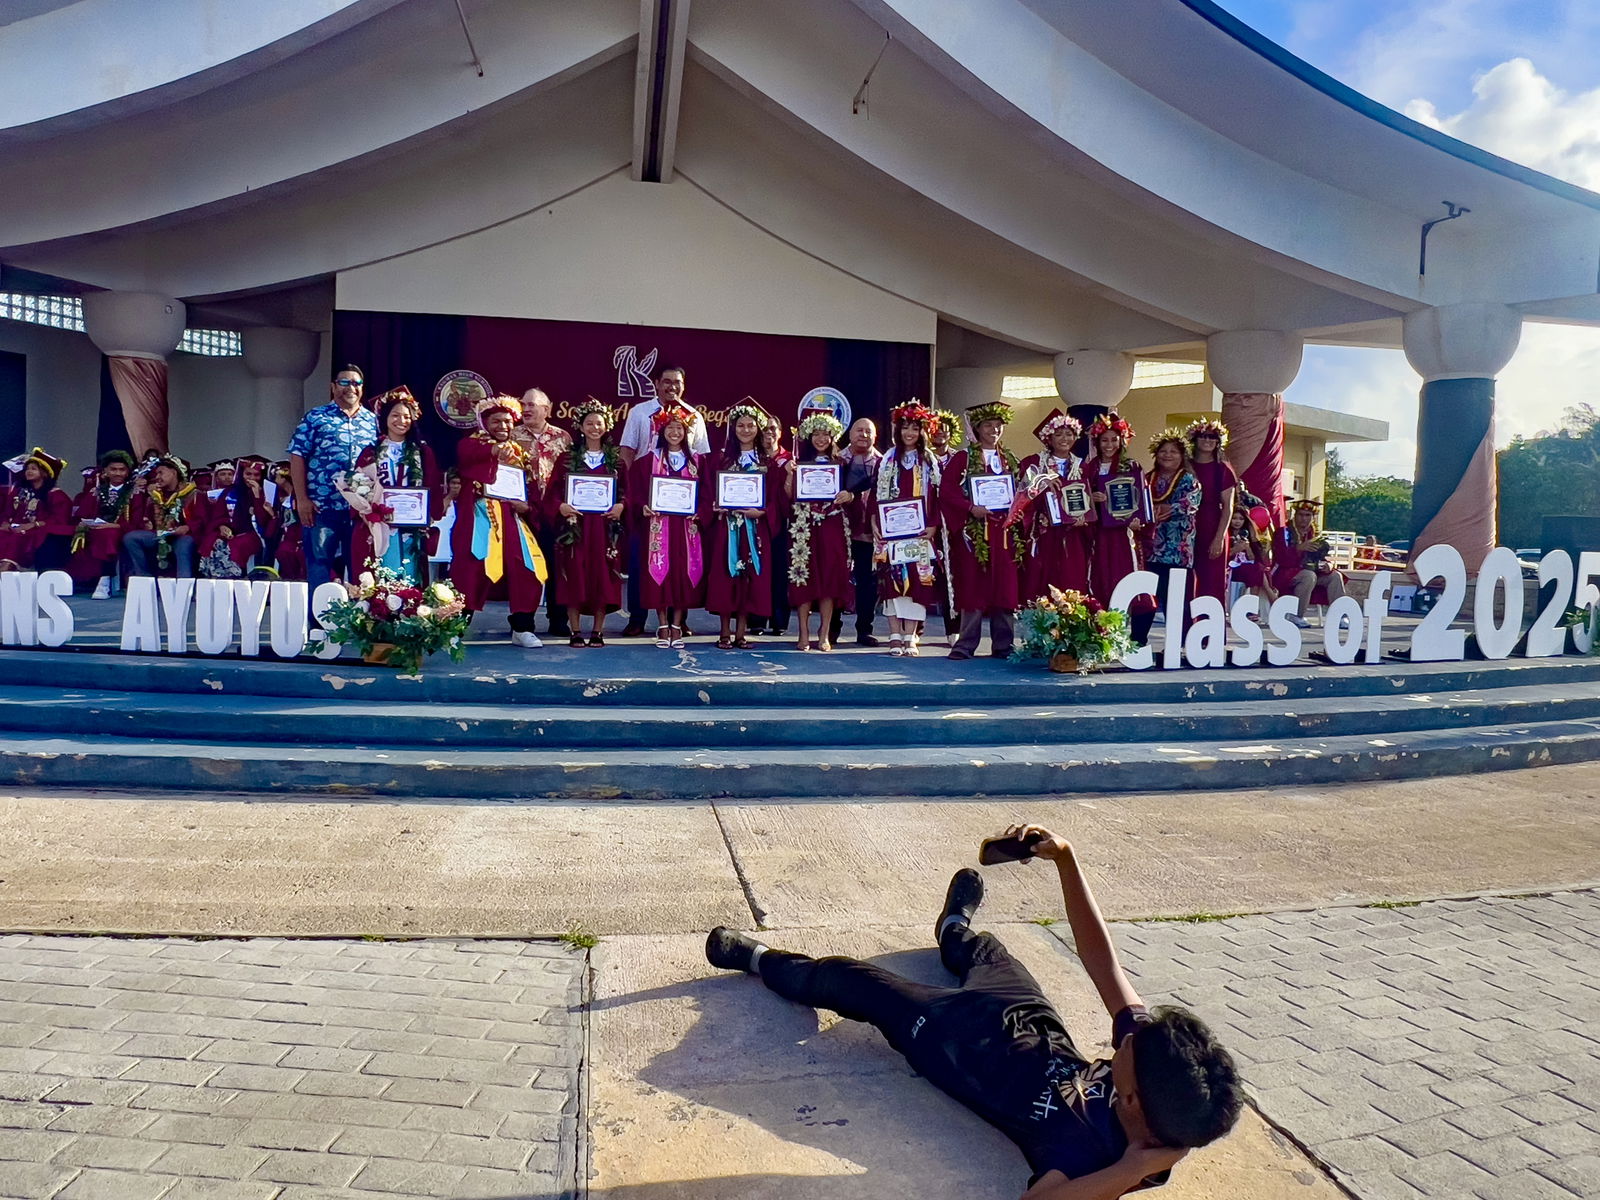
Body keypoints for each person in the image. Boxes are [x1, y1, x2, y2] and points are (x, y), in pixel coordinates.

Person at [704, 825, 1243, 1198]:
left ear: (1132, 1099)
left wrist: (1131, 1169)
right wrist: (1067, 859)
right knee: (987, 950)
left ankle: (756, 957)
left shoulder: (1096, 1156)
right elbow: (1105, 965)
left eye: (1126, 1047)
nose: (1125, 1036)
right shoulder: (1161, 1084)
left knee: (851, 980)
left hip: (956, 1045)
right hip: (1029, 1021)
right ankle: (952, 929)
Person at [619, 365, 710, 636]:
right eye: (667, 382)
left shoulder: (694, 416)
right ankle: (637, 617)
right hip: (648, 501)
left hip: (682, 506)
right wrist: (632, 495)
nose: (672, 387)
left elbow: (701, 457)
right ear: (656, 383)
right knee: (642, 562)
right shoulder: (639, 412)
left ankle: (677, 619)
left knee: (681, 560)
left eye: (678, 383)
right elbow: (627, 452)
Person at [451, 395, 548, 648]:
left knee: (526, 567)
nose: (503, 427)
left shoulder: (519, 454)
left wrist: (527, 506)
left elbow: (531, 489)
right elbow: (470, 458)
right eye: (496, 421)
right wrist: (494, 450)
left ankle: (522, 627)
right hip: (480, 518)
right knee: (472, 568)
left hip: (512, 518)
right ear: (484, 423)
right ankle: (455, 627)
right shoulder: (471, 444)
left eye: (507, 422)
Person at [940, 401, 1022, 660]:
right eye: (988, 425)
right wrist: (969, 507)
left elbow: (1021, 492)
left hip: (1004, 534)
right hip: (975, 534)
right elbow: (947, 492)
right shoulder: (963, 458)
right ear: (978, 428)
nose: (994, 431)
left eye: (998, 426)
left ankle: (1003, 644)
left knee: (1005, 588)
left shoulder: (1008, 459)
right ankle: (965, 645)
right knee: (973, 587)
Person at [288, 364, 380, 587]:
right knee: (320, 567)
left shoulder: (372, 420)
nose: (351, 387)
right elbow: (297, 456)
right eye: (344, 382)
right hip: (322, 508)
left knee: (362, 571)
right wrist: (302, 499)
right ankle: (317, 621)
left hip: (360, 512)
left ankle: (358, 622)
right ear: (333, 387)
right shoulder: (315, 417)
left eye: (356, 383)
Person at [549, 398, 627, 646]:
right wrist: (560, 506)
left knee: (602, 576)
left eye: (599, 423)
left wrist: (621, 506)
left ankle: (597, 631)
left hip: (604, 529)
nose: (594, 427)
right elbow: (552, 494)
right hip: (576, 527)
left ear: (607, 426)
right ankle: (575, 631)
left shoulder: (616, 462)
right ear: (580, 427)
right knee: (575, 574)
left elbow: (627, 493)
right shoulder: (565, 460)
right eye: (589, 423)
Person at [628, 404, 706, 648]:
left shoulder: (697, 462)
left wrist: (700, 512)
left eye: (679, 428)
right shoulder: (647, 462)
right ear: (661, 432)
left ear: (686, 432)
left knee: (683, 572)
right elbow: (635, 493)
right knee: (659, 571)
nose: (674, 433)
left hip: (685, 528)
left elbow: (707, 494)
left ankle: (677, 624)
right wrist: (642, 506)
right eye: (670, 428)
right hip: (658, 526)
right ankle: (662, 624)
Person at [351, 387, 443, 588]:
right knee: (380, 573)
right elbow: (358, 485)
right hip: (379, 524)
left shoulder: (422, 451)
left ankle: (410, 612)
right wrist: (367, 511)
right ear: (384, 418)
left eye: (407, 417)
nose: (402, 421)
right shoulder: (371, 452)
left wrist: (430, 513)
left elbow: (433, 485)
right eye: (395, 415)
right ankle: (381, 613)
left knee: (411, 570)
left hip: (412, 523)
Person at [705, 403, 777, 649]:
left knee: (750, 578)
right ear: (732, 429)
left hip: (755, 529)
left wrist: (763, 511)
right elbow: (708, 492)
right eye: (740, 425)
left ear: (758, 429)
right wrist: (715, 505)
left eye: (750, 425)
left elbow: (776, 498)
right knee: (727, 575)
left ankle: (741, 633)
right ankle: (724, 632)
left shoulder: (768, 462)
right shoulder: (721, 459)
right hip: (727, 529)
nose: (746, 430)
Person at [872, 403, 941, 657]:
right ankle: (893, 634)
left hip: (919, 531)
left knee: (918, 581)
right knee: (892, 580)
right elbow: (874, 497)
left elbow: (936, 496)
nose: (909, 433)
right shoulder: (887, 459)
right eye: (905, 428)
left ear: (922, 432)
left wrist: (933, 525)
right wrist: (874, 523)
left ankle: (910, 636)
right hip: (891, 531)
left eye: (915, 428)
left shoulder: (929, 462)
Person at [785, 413, 853, 652]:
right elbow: (789, 495)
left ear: (833, 436)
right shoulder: (798, 462)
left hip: (833, 526)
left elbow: (853, 492)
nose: (821, 438)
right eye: (816, 434)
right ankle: (802, 633)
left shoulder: (843, 463)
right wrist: (789, 474)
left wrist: (850, 495)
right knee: (803, 578)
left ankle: (823, 634)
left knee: (830, 579)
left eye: (826, 434)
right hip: (804, 526)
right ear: (808, 436)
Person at [514, 387, 574, 638]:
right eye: (523, 405)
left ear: (546, 409)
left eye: (531, 405)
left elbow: (573, 475)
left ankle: (558, 618)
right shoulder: (512, 435)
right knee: (524, 567)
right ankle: (522, 619)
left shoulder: (563, 437)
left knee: (557, 565)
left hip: (554, 513)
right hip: (523, 511)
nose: (526, 410)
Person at [1132, 433, 1201, 647]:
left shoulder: (1189, 480)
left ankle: (1180, 645)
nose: (1167, 455)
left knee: (1176, 599)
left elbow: (1190, 505)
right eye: (1163, 451)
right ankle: (1137, 642)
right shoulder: (1148, 478)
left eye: (1173, 451)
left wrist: (1167, 509)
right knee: (1146, 596)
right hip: (1150, 549)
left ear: (1182, 455)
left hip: (1177, 551)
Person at [1019, 412, 1095, 603]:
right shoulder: (1034, 463)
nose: (1064, 439)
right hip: (1044, 534)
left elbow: (1089, 500)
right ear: (1049, 438)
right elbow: (1021, 496)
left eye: (1069, 434)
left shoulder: (1083, 466)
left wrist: (1085, 515)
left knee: (1072, 578)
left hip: (1073, 535)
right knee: (1042, 580)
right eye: (1059, 434)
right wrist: (1042, 486)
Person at [1085, 413, 1146, 607]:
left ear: (1122, 440)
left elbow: (1141, 496)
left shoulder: (1131, 466)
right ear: (1097, 442)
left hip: (1122, 531)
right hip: (1097, 531)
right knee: (1099, 574)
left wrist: (1139, 519)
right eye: (1104, 440)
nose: (1109, 445)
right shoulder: (1090, 467)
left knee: (1122, 573)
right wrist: (1091, 497)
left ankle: (1122, 620)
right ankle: (1100, 620)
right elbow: (1080, 496)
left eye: (1114, 439)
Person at [837, 417, 883, 647]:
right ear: (850, 433)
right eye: (859, 430)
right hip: (839, 530)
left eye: (868, 431)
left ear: (875, 436)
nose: (863, 435)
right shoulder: (836, 459)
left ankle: (865, 629)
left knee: (868, 584)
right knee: (837, 579)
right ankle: (831, 628)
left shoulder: (884, 463)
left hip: (868, 532)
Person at [68, 450, 137, 597]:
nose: (118, 473)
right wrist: (87, 523)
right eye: (113, 469)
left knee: (108, 534)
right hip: (97, 528)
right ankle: (84, 581)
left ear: (127, 472)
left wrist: (113, 525)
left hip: (120, 530)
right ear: (105, 470)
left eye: (122, 470)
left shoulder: (134, 492)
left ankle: (105, 579)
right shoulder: (97, 491)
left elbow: (136, 521)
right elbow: (84, 514)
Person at [1184, 420, 1237, 612]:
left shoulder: (1222, 469)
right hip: (1186, 528)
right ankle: (1187, 629)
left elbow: (1228, 506)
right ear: (1195, 440)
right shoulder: (1185, 466)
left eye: (1212, 437)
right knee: (1187, 581)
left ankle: (1211, 633)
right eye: (1203, 436)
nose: (1207, 440)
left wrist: (1219, 538)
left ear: (1218, 442)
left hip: (1213, 527)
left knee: (1211, 583)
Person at [122, 455, 201, 578]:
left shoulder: (193, 494)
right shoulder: (155, 495)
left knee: (185, 544)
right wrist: (147, 523)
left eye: (160, 473)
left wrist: (187, 527)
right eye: (156, 474)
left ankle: (184, 586)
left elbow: (202, 520)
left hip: (183, 535)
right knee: (131, 538)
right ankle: (144, 579)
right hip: (160, 533)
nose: (157, 477)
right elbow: (148, 518)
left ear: (174, 472)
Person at [197, 456, 274, 580]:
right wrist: (222, 526)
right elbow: (219, 515)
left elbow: (265, 520)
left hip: (255, 534)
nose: (252, 478)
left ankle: (234, 581)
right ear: (241, 474)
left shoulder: (267, 492)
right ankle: (215, 582)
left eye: (256, 475)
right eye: (248, 474)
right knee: (213, 542)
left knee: (235, 546)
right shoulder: (230, 492)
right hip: (231, 532)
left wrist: (257, 496)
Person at [1272, 499, 1346, 628]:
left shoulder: (1315, 534)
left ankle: (1338, 615)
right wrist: (1299, 548)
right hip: (1284, 574)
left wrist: (1327, 564)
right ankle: (1297, 615)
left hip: (1311, 572)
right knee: (1308, 576)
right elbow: (1280, 558)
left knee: (1335, 576)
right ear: (1295, 515)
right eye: (1301, 515)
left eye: (1308, 515)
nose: (1304, 519)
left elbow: (1320, 557)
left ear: (1313, 517)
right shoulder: (1283, 533)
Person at [750, 417, 792, 636]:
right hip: (753, 521)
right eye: (764, 429)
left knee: (778, 571)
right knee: (757, 569)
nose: (769, 433)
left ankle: (778, 620)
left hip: (779, 523)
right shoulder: (752, 458)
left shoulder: (789, 460)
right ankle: (756, 618)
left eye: (773, 428)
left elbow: (791, 497)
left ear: (781, 432)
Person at [0, 449, 73, 572]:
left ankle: (6, 571)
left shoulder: (57, 495)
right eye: (27, 469)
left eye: (33, 469)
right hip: (16, 528)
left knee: (18, 538)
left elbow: (59, 520)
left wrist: (33, 525)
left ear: (45, 473)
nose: (28, 471)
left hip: (37, 531)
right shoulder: (19, 493)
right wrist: (6, 523)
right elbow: (8, 512)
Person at [1226, 505, 1276, 612]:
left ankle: (1252, 605)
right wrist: (1235, 549)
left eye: (1241, 519)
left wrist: (1247, 547)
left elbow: (1253, 557)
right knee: (1257, 570)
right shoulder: (1225, 535)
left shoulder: (1247, 535)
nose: (1237, 522)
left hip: (1246, 567)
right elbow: (1224, 557)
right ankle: (1271, 597)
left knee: (1257, 568)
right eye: (1234, 518)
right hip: (1229, 568)